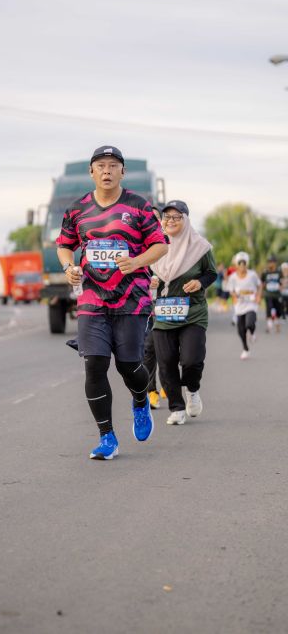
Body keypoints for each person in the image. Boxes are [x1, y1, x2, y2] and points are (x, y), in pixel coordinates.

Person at [56, 145, 168, 459]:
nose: (107, 171)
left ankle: (140, 400)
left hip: (132, 299)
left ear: (122, 171)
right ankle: (107, 437)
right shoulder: (77, 209)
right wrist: (68, 267)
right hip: (92, 299)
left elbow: (160, 246)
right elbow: (64, 245)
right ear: (91, 172)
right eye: (101, 165)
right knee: (94, 364)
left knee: (129, 365)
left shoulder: (138, 206)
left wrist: (137, 261)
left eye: (113, 165)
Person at [151, 200, 217, 425]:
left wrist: (199, 283)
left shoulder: (200, 247)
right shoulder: (153, 245)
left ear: (186, 220)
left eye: (176, 217)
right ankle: (177, 408)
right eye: (167, 217)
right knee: (166, 362)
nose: (170, 221)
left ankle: (192, 389)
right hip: (163, 315)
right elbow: (141, 271)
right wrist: (150, 281)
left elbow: (211, 273)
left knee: (191, 360)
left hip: (193, 314)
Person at [143, 205, 167, 410]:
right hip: (145, 304)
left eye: (156, 218)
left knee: (168, 347)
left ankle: (169, 381)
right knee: (149, 347)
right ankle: (151, 390)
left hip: (169, 303)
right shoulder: (136, 243)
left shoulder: (170, 243)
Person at [227, 251, 262, 360]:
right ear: (236, 265)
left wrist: (258, 296)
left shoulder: (252, 275)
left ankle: (252, 333)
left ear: (247, 264)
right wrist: (236, 295)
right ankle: (245, 349)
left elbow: (260, 285)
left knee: (250, 323)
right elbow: (231, 290)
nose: (242, 266)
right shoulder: (233, 277)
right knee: (240, 330)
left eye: (244, 263)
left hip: (251, 304)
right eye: (240, 263)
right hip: (240, 306)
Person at [261, 256, 282, 333]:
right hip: (268, 294)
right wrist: (262, 291)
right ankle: (269, 325)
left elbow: (282, 281)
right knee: (269, 309)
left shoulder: (279, 272)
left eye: (272, 262)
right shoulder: (265, 272)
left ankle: (277, 323)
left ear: (275, 263)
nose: (270, 264)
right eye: (269, 262)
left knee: (278, 310)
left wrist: (281, 286)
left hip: (277, 294)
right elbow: (261, 282)